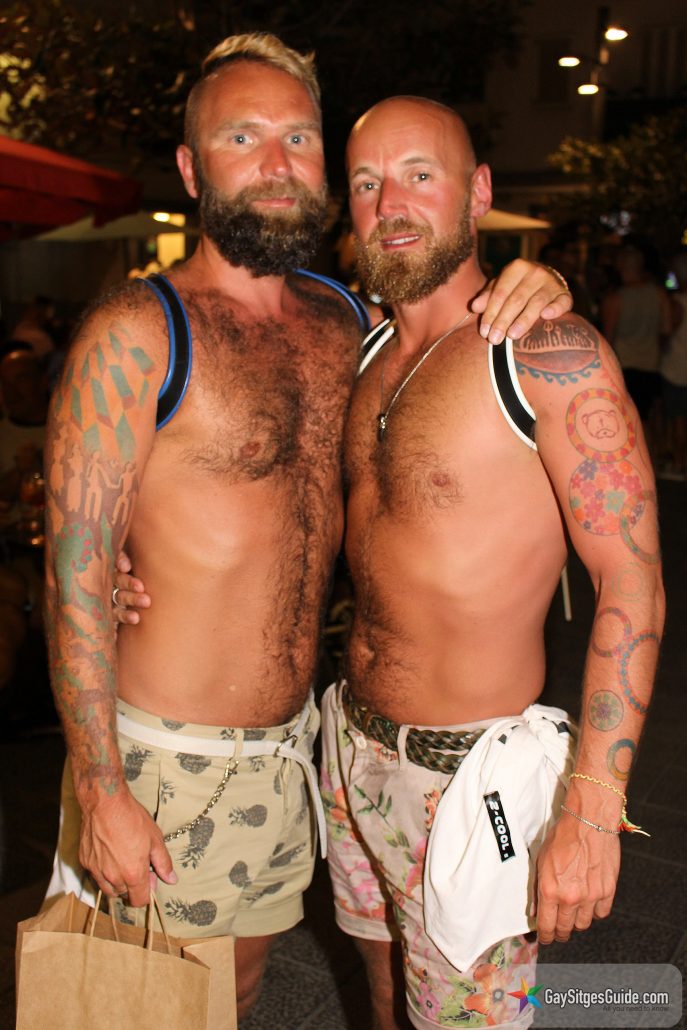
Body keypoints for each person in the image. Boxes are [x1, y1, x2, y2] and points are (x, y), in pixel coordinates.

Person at [44, 34, 571, 1021]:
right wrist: (102, 787)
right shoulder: (135, 333)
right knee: (144, 1005)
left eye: (298, 138)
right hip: (162, 760)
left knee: (237, 990)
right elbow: (72, 574)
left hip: (298, 750)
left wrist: (535, 285)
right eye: (242, 138)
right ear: (192, 169)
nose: (277, 163)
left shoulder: (347, 323)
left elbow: (451, 331)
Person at [314, 98, 664, 1029]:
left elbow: (630, 581)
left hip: (469, 785)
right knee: (381, 988)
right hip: (349, 748)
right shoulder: (364, 348)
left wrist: (592, 808)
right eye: (365, 182)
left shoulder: (547, 352)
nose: (389, 203)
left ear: (476, 192)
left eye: (418, 175)